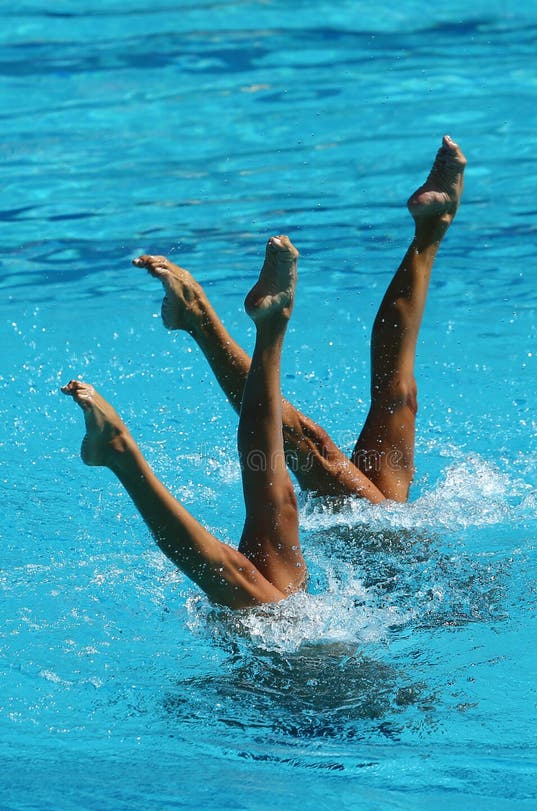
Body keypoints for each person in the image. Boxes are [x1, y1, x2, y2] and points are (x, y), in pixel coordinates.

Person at [62, 136, 466, 609]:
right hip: (386, 572)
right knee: (361, 430)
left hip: (340, 614)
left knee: (326, 463)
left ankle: (237, 327)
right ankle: (219, 335)